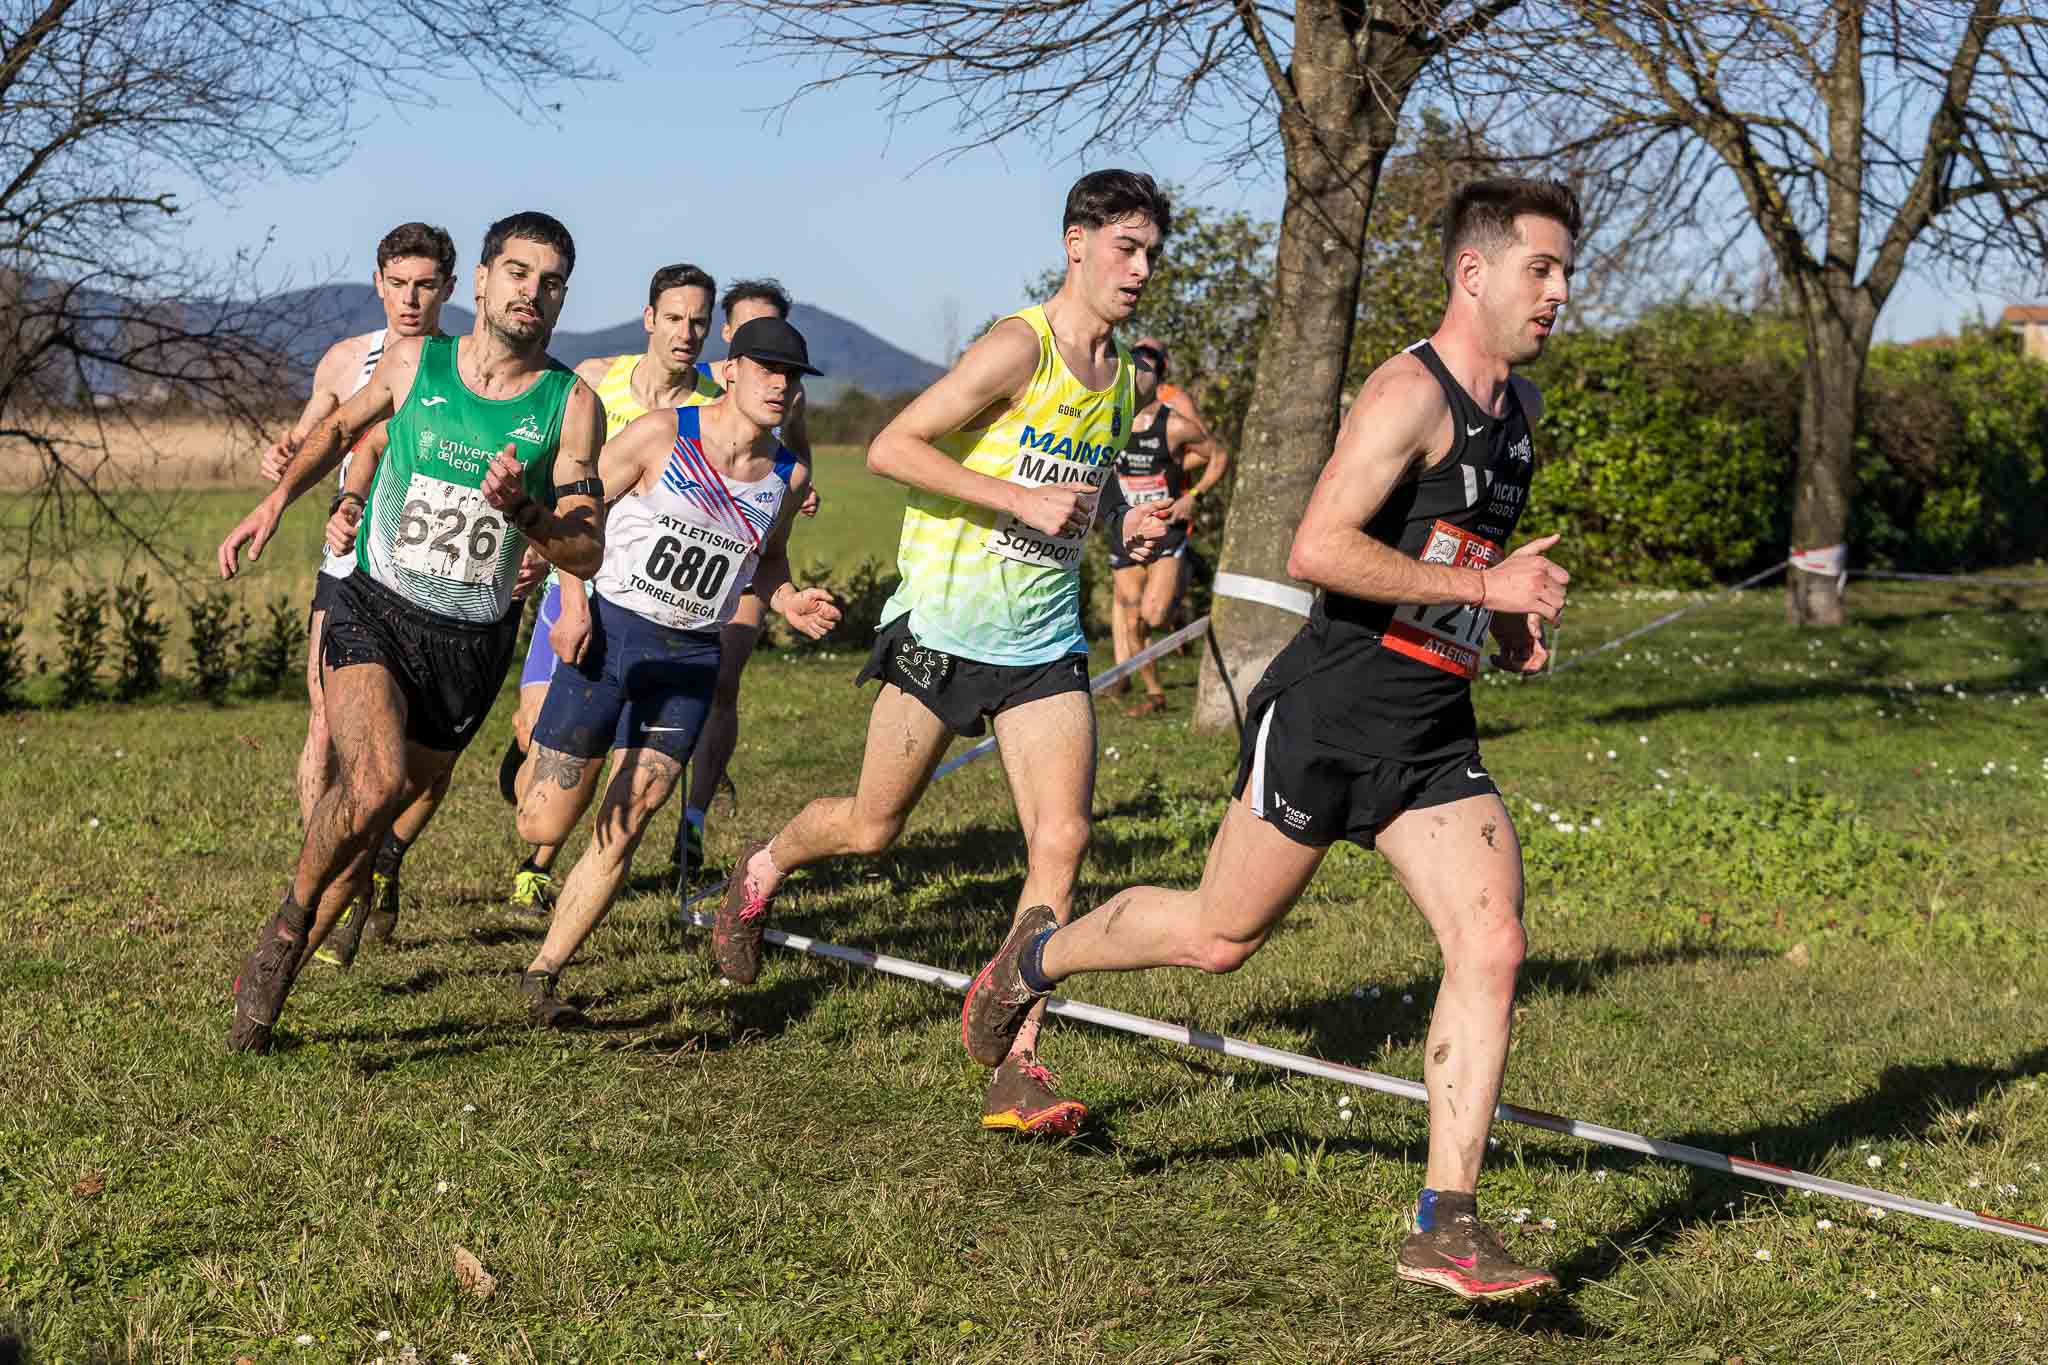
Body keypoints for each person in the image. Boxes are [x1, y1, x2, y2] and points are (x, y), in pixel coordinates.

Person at [960, 177, 1578, 1300]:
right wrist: (1487, 583)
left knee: (1490, 945)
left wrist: (1505, 624)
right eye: (1539, 268)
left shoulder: (1521, 414)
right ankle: (1031, 959)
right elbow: (1318, 550)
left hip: (1431, 736)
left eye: (1565, 272)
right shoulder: (1407, 394)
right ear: (1471, 272)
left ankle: (1444, 1223)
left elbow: (1445, 571)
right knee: (1214, 940)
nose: (1558, 293)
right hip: (1328, 719)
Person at [714, 170, 1174, 1136]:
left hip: (1044, 639)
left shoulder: (1127, 370)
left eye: (1151, 251)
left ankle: (1019, 1061)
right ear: (1075, 245)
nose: (1142, 268)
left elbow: (1070, 497)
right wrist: (1014, 499)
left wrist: (1124, 531)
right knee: (873, 825)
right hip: (943, 631)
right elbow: (890, 446)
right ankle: (761, 869)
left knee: (1063, 838)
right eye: (1126, 247)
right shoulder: (1021, 346)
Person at [218, 210, 606, 1055]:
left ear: (563, 297)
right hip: (376, 609)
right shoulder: (413, 361)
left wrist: (527, 511)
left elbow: (588, 544)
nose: (531, 292)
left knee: (375, 832)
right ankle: (285, 932)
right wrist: (276, 501)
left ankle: (272, 996)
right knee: (375, 781)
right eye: (516, 272)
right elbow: (339, 428)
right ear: (482, 281)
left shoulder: (570, 407)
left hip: (470, 642)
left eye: (550, 281)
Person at [509, 317, 839, 1025]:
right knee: (539, 816)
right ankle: (535, 746)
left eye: (794, 377)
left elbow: (768, 558)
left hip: (689, 657)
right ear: (731, 368)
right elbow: (580, 514)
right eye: (768, 369)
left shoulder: (788, 474)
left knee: (626, 822)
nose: (782, 386)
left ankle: (543, 974)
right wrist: (570, 598)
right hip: (611, 635)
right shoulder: (663, 434)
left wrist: (788, 596)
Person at [257, 222, 458, 965]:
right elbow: (316, 432)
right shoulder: (346, 359)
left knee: (416, 764)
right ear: (378, 281)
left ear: (448, 288)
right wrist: (282, 454)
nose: (410, 297)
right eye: (398, 282)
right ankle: (331, 874)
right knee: (320, 730)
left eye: (425, 284)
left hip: (433, 579)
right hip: (348, 561)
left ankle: (375, 855)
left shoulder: (461, 365)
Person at [501, 263, 725, 915]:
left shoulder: (714, 405)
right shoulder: (597, 379)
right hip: (571, 588)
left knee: (598, 751)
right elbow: (554, 461)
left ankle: (537, 870)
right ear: (649, 318)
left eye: (700, 321)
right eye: (676, 317)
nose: (688, 332)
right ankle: (531, 778)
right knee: (533, 731)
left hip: (646, 607)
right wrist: (540, 545)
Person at [674, 278, 822, 878]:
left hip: (742, 551)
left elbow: (797, 461)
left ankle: (694, 819)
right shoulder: (694, 378)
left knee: (722, 682)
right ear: (728, 337)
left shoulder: (786, 392)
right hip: (670, 540)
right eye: (743, 325)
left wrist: (801, 491)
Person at [1107, 340, 1229, 717]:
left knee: (1154, 616)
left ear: (1157, 379)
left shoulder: (1174, 424)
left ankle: (1180, 581)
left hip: (1167, 527)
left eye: (1144, 372)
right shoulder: (1112, 419)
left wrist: (1193, 493)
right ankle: (1156, 693)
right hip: (1128, 526)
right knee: (1131, 616)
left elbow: (1219, 453)